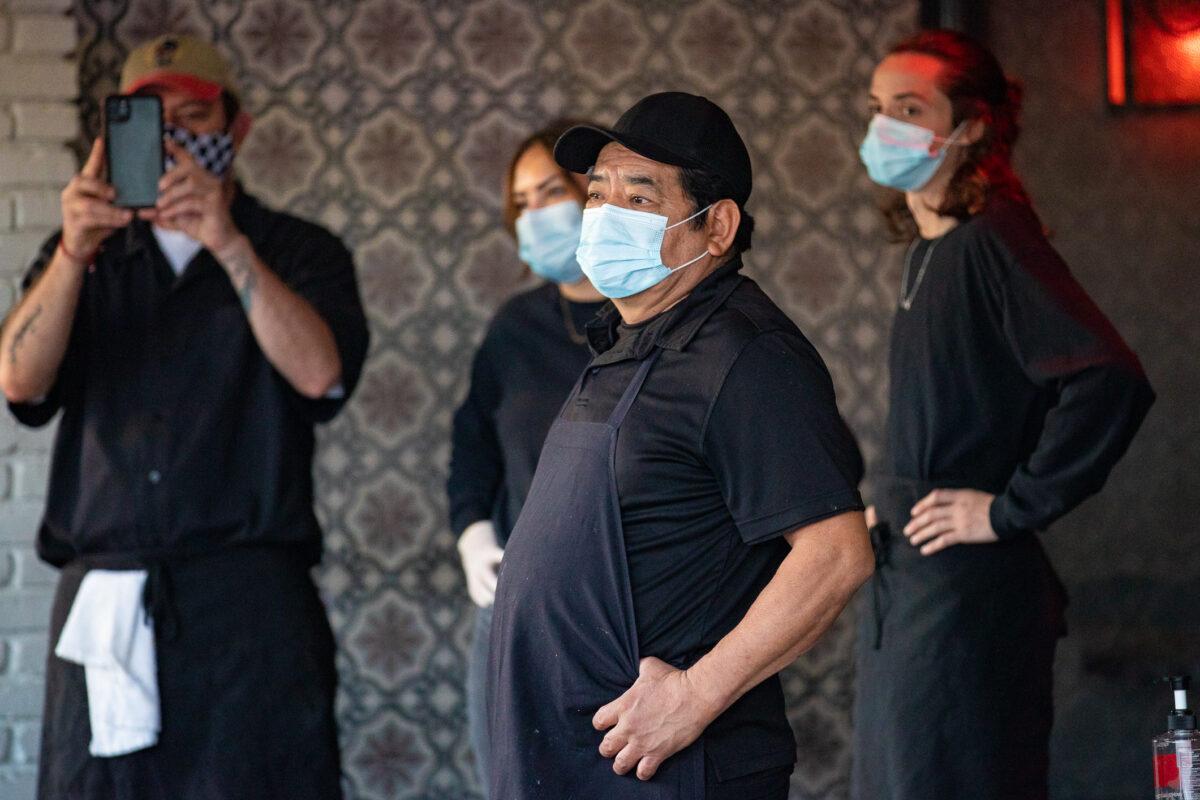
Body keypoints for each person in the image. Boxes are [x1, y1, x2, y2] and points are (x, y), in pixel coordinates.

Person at [0, 34, 368, 800]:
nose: (171, 135)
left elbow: (322, 376)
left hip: (250, 606)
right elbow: (20, 383)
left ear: (237, 128)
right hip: (106, 598)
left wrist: (227, 244)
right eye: (150, 118)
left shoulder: (299, 249)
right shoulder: (85, 254)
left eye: (194, 115)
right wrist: (72, 252)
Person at [486, 92, 874, 800]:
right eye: (597, 193)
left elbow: (836, 553)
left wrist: (695, 696)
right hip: (582, 760)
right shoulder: (630, 337)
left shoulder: (747, 354)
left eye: (638, 198)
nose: (605, 214)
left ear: (716, 226)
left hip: (668, 767)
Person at [852, 29, 1154, 800]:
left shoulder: (993, 239)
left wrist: (1007, 509)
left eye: (909, 108)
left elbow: (1110, 379)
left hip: (963, 602)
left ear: (972, 127)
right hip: (910, 588)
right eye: (878, 107)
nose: (884, 125)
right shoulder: (933, 249)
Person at [447, 119, 606, 795]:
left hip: (631, 620)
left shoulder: (668, 320)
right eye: (522, 202)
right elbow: (473, 445)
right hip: (519, 611)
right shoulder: (515, 328)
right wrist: (473, 534)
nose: (537, 214)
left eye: (552, 192)